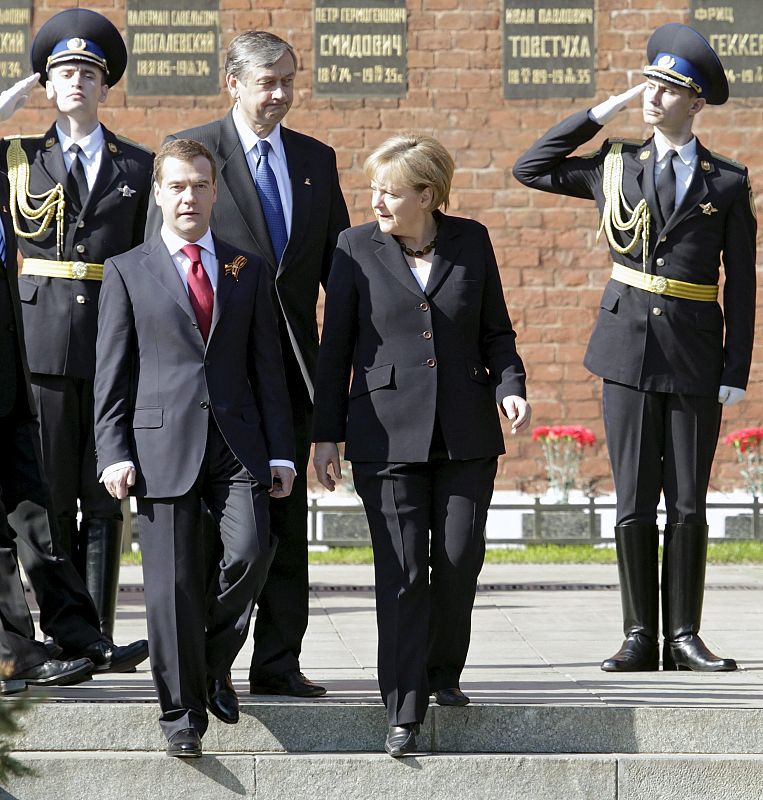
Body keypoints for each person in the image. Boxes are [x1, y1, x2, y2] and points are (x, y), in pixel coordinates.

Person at [513, 23, 756, 673]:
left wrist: (736, 366)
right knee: (629, 502)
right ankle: (636, 635)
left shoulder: (726, 182)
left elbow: (741, 283)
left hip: (694, 353)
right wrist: (600, 112)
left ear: (695, 102)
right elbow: (530, 167)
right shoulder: (613, 164)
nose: (652, 96)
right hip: (623, 350)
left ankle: (682, 635)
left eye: (668, 88)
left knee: (685, 502)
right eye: (648, 83)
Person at [313, 134, 531, 756]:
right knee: (404, 572)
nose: (377, 199)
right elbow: (335, 352)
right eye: (374, 188)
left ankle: (442, 673)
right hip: (385, 433)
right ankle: (403, 708)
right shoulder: (355, 247)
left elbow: (497, 331)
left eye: (391, 190)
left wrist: (510, 384)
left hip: (465, 431)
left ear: (428, 195)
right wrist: (325, 435)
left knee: (459, 559)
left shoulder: (472, 240)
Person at [148, 30, 350, 699]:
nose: (281, 94)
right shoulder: (195, 156)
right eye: (267, 81)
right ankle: (212, 662)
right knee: (225, 534)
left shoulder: (316, 161)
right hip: (215, 378)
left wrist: (338, 403)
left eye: (289, 79)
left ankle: (279, 662)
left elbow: (339, 281)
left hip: (293, 375)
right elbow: (160, 277)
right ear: (231, 82)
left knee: (286, 529)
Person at [94, 138, 296, 758]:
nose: (189, 196)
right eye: (177, 185)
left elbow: (270, 367)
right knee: (171, 585)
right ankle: (181, 713)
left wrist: (282, 452)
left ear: (214, 191)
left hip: (238, 443)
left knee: (253, 547)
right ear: (159, 193)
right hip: (161, 445)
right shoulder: (128, 269)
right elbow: (113, 370)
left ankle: (212, 661)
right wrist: (113, 451)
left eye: (200, 185)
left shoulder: (246, 268)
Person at [2, 9, 154, 641]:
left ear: (105, 85)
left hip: (112, 347)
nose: (75, 82)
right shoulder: (16, 158)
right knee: (49, 494)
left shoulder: (138, 166)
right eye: (62, 71)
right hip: (37, 347)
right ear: (46, 84)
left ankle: (97, 635)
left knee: (106, 496)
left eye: (88, 72)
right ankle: (61, 631)